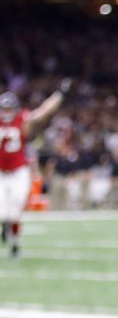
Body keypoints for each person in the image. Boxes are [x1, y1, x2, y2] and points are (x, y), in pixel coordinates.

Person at [0, 83, 67, 258]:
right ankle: (6, 227)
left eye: (9, 108)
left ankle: (15, 246)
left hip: (19, 171)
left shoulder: (22, 119)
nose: (6, 112)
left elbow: (43, 112)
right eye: (3, 109)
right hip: (1, 172)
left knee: (15, 212)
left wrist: (59, 94)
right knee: (3, 213)